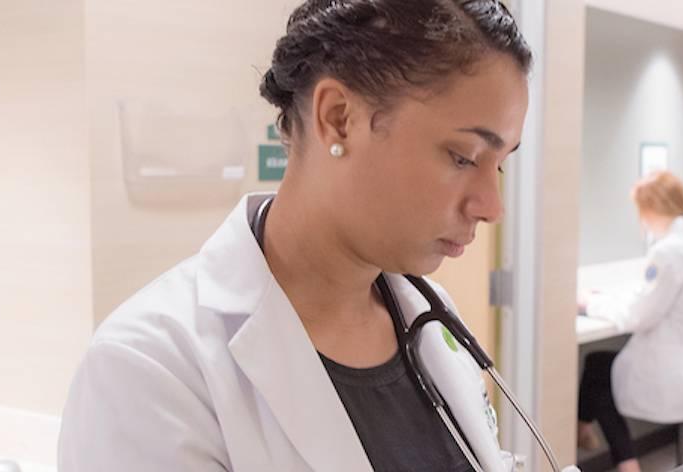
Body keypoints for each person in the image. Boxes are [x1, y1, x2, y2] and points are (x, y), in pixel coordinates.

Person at [56, 1, 534, 470]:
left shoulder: (429, 316)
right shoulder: (150, 371)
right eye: (463, 156)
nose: (492, 207)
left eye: (499, 165)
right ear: (338, 118)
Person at [575, 171, 683, 472]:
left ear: (649, 210)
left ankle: (625, 463)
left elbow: (638, 316)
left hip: (677, 377)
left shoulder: (668, 251)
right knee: (600, 368)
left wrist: (589, 304)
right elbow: (654, 298)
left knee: (597, 368)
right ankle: (584, 431)